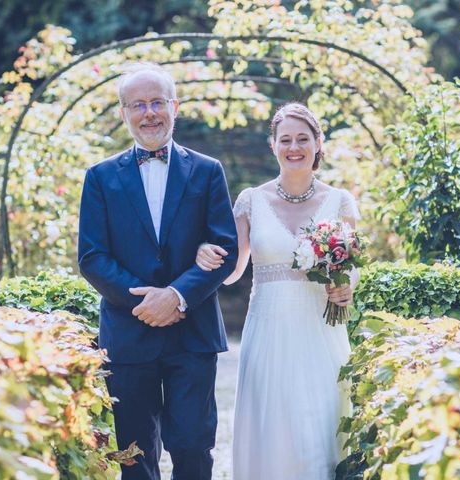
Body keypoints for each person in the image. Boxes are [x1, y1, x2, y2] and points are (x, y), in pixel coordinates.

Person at [78, 63, 238, 480]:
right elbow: (92, 257)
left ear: (174, 107)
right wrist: (149, 300)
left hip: (193, 332)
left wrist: (177, 296)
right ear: (124, 113)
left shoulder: (207, 170)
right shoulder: (99, 177)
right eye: (138, 105)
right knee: (133, 453)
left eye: (157, 102)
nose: (149, 113)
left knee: (192, 445)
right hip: (129, 334)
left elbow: (227, 244)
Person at [195, 102, 360, 479]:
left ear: (319, 143)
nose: (294, 147)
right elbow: (234, 270)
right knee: (273, 425)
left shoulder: (340, 201)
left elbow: (351, 271)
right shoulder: (251, 200)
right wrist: (205, 255)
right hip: (268, 329)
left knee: (319, 423)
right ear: (273, 145)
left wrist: (345, 289)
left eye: (303, 138)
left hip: (320, 329)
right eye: (285, 139)